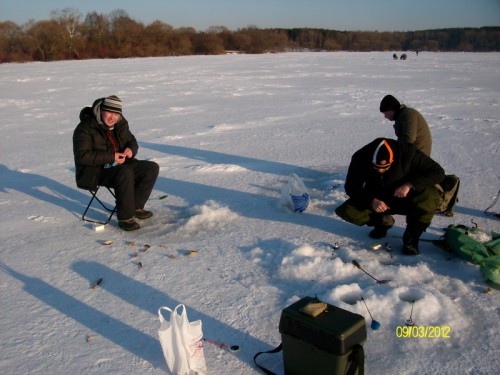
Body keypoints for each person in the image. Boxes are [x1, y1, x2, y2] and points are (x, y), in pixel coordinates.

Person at [335, 138, 445, 255]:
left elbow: (438, 172)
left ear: (393, 160)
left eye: (385, 167)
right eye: (376, 167)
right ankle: (382, 221)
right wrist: (371, 201)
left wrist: (410, 184)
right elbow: (351, 187)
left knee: (429, 196)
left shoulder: (408, 153)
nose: (380, 170)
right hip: (379, 198)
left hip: (405, 196)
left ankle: (411, 238)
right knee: (347, 211)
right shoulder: (360, 157)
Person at [73, 95, 159, 231]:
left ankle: (135, 206)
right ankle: (126, 217)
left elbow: (132, 141)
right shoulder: (85, 127)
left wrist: (131, 149)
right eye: (109, 112)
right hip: (95, 171)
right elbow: (82, 156)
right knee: (125, 172)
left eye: (116, 114)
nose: (112, 117)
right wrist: (111, 157)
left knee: (151, 168)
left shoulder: (120, 123)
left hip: (120, 165)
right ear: (101, 110)